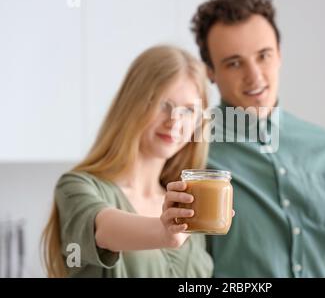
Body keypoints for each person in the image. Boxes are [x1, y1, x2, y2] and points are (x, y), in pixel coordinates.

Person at [188, 0, 325, 277]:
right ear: (210, 72)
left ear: (279, 54)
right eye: (234, 63)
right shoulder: (191, 149)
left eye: (263, 56)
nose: (254, 76)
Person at [41, 45, 214, 277]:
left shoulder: (185, 206)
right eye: (164, 105)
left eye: (188, 111)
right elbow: (103, 229)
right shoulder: (76, 187)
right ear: (132, 103)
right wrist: (163, 233)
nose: (174, 121)